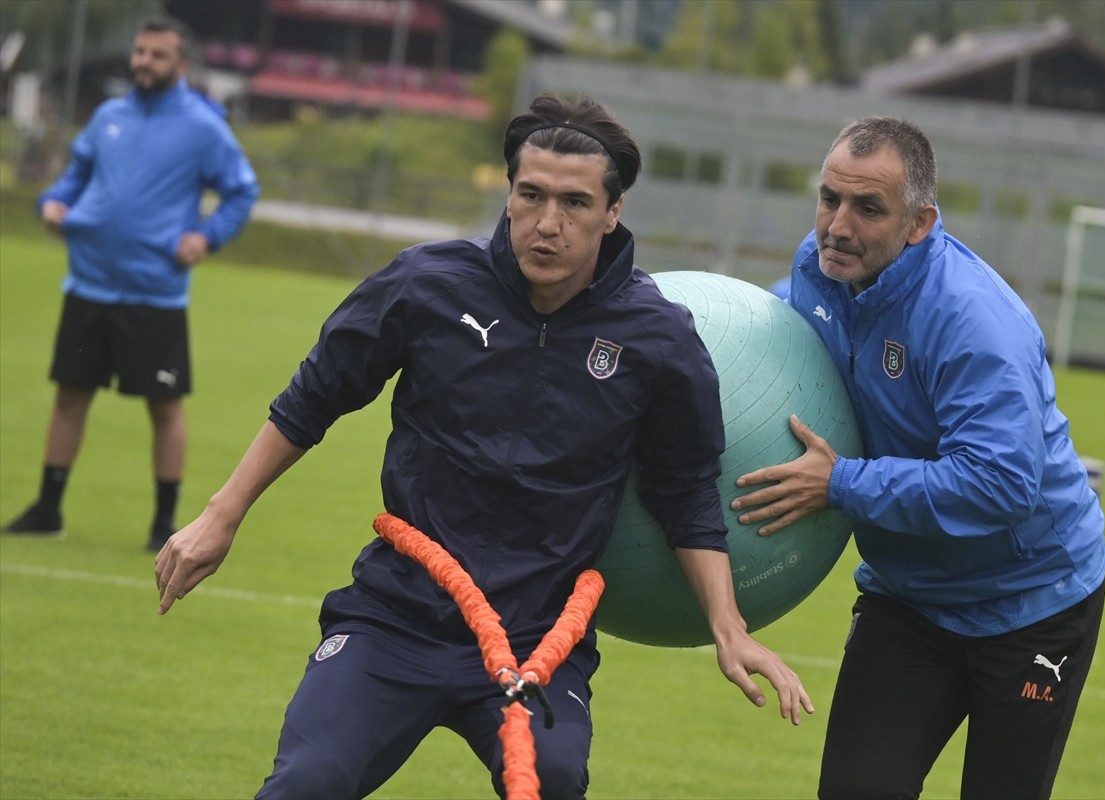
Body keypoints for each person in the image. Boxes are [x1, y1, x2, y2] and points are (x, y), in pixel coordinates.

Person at [154, 94, 811, 800]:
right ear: (509, 194)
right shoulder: (427, 284)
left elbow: (684, 493)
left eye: (574, 204)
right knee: (307, 783)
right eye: (530, 195)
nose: (547, 224)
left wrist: (728, 627)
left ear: (613, 214)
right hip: (396, 617)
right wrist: (221, 515)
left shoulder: (657, 339)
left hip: (537, 637)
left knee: (554, 782)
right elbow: (314, 396)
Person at [732, 116, 1105, 799]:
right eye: (829, 199)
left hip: (1034, 601)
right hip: (909, 600)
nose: (838, 226)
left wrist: (841, 482)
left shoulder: (974, 323)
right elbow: (790, 334)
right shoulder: (817, 271)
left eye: (868, 208)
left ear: (918, 223)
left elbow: (1000, 484)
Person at [3, 16, 259, 551]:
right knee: (70, 395)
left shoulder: (203, 126)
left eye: (157, 55)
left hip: (154, 293)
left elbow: (241, 191)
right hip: (88, 283)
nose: (144, 62)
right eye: (140, 52)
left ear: (181, 65)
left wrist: (207, 237)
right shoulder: (109, 115)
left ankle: (164, 523)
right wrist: (53, 200)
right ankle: (48, 508)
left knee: (163, 406)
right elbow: (75, 176)